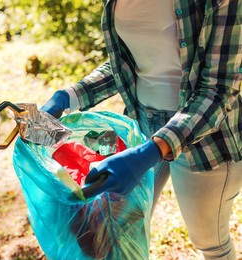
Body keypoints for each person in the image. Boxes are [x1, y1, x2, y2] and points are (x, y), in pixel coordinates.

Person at [40, 0, 241, 259]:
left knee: (210, 242)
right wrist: (69, 96)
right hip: (141, 125)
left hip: (206, 137)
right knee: (115, 229)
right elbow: (125, 64)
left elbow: (218, 88)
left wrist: (150, 152)